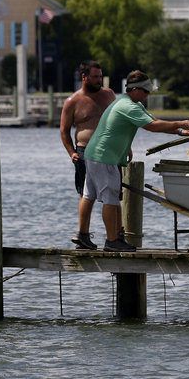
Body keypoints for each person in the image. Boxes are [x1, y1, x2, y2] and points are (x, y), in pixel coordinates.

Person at [82, 69, 189, 252]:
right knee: (110, 198)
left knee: (90, 195)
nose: (148, 94)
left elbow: (153, 120)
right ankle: (112, 241)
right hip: (104, 156)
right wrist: (179, 123)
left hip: (95, 154)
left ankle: (85, 236)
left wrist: (178, 132)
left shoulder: (126, 101)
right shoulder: (129, 106)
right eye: (145, 91)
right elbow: (152, 126)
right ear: (135, 89)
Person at [59, 61, 116, 249]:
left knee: (114, 193)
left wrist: (125, 147)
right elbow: (64, 131)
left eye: (100, 76)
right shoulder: (72, 101)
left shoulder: (108, 95)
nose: (99, 80)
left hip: (109, 151)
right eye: (95, 77)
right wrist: (71, 153)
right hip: (84, 152)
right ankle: (83, 235)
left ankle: (117, 234)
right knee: (86, 195)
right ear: (84, 77)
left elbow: (117, 123)